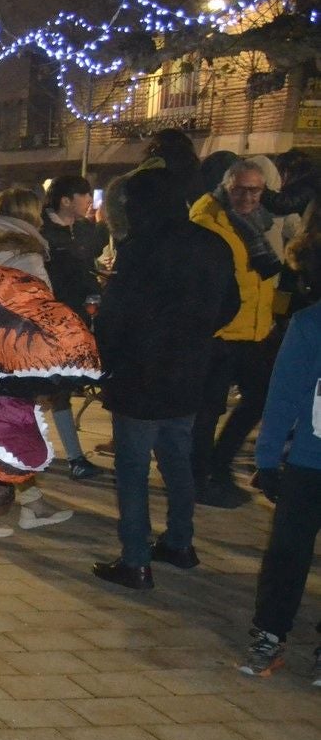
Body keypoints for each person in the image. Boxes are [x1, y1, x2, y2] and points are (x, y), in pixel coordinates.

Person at [91, 167, 239, 591]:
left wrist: (107, 361)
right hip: (190, 368)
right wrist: (195, 332)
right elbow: (231, 303)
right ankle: (180, 541)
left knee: (134, 468)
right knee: (178, 457)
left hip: (141, 374)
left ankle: (136, 559)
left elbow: (117, 316)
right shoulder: (212, 244)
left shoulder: (142, 248)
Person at [0, 186, 74, 536]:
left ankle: (29, 503)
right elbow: (39, 304)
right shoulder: (26, 247)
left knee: (0, 426)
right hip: (14, 350)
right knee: (5, 428)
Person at [240, 234, 321, 680]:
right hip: (309, 460)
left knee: (287, 555)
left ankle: (278, 638)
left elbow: (283, 398)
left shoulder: (308, 322)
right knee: (287, 555)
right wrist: (268, 459)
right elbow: (284, 396)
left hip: (307, 459)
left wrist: (269, 459)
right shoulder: (310, 325)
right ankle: (270, 634)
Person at [190, 157, 284, 507]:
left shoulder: (254, 221)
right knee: (207, 410)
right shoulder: (209, 221)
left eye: (255, 190)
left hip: (254, 331)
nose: (248, 197)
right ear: (227, 187)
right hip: (221, 334)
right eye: (240, 189)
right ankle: (200, 477)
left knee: (262, 396)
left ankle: (219, 463)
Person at [41, 174, 108, 480]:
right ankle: (74, 456)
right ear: (65, 200)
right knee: (56, 388)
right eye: (83, 196)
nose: (89, 203)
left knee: (63, 386)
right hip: (50, 319)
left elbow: (91, 260)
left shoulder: (85, 230)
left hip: (82, 317)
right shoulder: (43, 232)